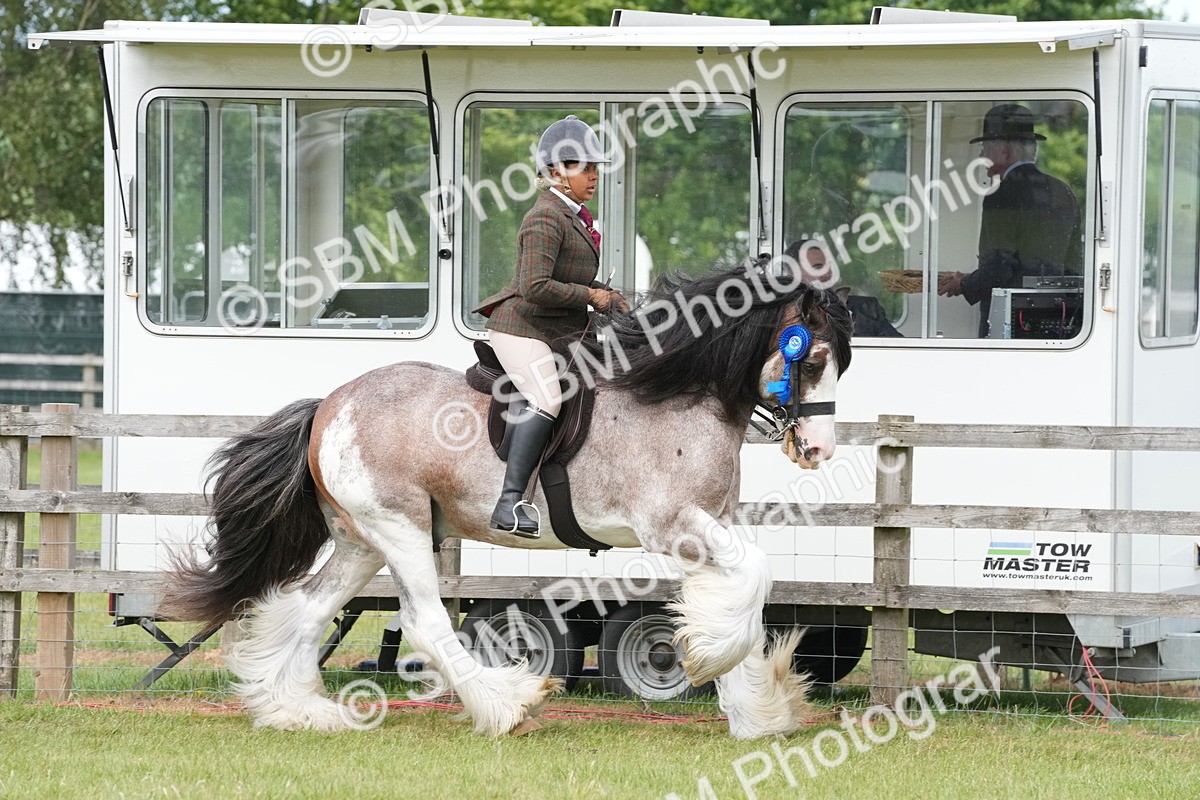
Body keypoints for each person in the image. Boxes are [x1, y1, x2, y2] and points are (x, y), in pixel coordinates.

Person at [472, 115, 628, 535]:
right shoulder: (544, 217)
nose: (593, 175)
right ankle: (508, 504)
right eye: (583, 167)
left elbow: (569, 279)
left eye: (596, 168)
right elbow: (534, 286)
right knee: (548, 395)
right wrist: (592, 296)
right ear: (556, 171)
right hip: (521, 327)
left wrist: (608, 296)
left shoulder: (574, 217)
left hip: (553, 329)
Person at [937, 104, 1082, 337]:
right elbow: (1073, 260)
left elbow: (998, 266)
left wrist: (963, 284)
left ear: (1004, 150)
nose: (981, 155)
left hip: (1012, 319)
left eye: (985, 147)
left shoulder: (1002, 194)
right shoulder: (1062, 190)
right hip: (1060, 318)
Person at [784, 239, 902, 338]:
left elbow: (898, 348)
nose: (827, 273)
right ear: (793, 273)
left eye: (829, 266)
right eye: (818, 267)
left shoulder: (866, 308)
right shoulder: (780, 313)